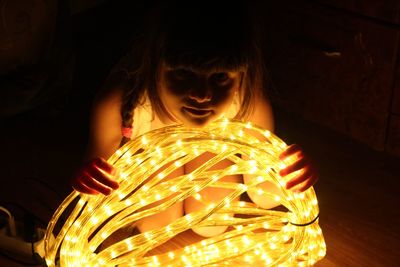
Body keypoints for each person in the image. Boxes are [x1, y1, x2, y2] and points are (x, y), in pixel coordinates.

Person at [71, 0, 318, 237]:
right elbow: (93, 194)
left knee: (213, 223)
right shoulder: (120, 103)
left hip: (208, 154)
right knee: (155, 227)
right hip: (152, 159)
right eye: (183, 74)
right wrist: (89, 181)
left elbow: (265, 194)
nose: (201, 95)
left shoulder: (248, 101)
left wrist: (291, 175)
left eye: (220, 77)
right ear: (155, 67)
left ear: (241, 75)